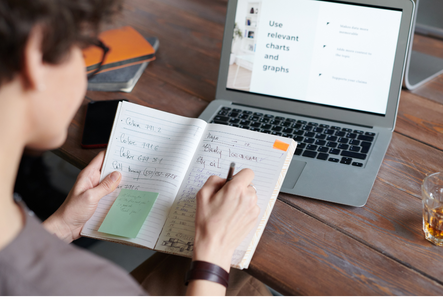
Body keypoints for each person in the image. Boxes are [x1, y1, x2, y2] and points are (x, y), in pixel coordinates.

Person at [0, 0, 269, 296]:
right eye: (83, 47)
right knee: (244, 282)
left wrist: (62, 227)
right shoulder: (87, 284)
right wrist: (214, 251)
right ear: (36, 57)